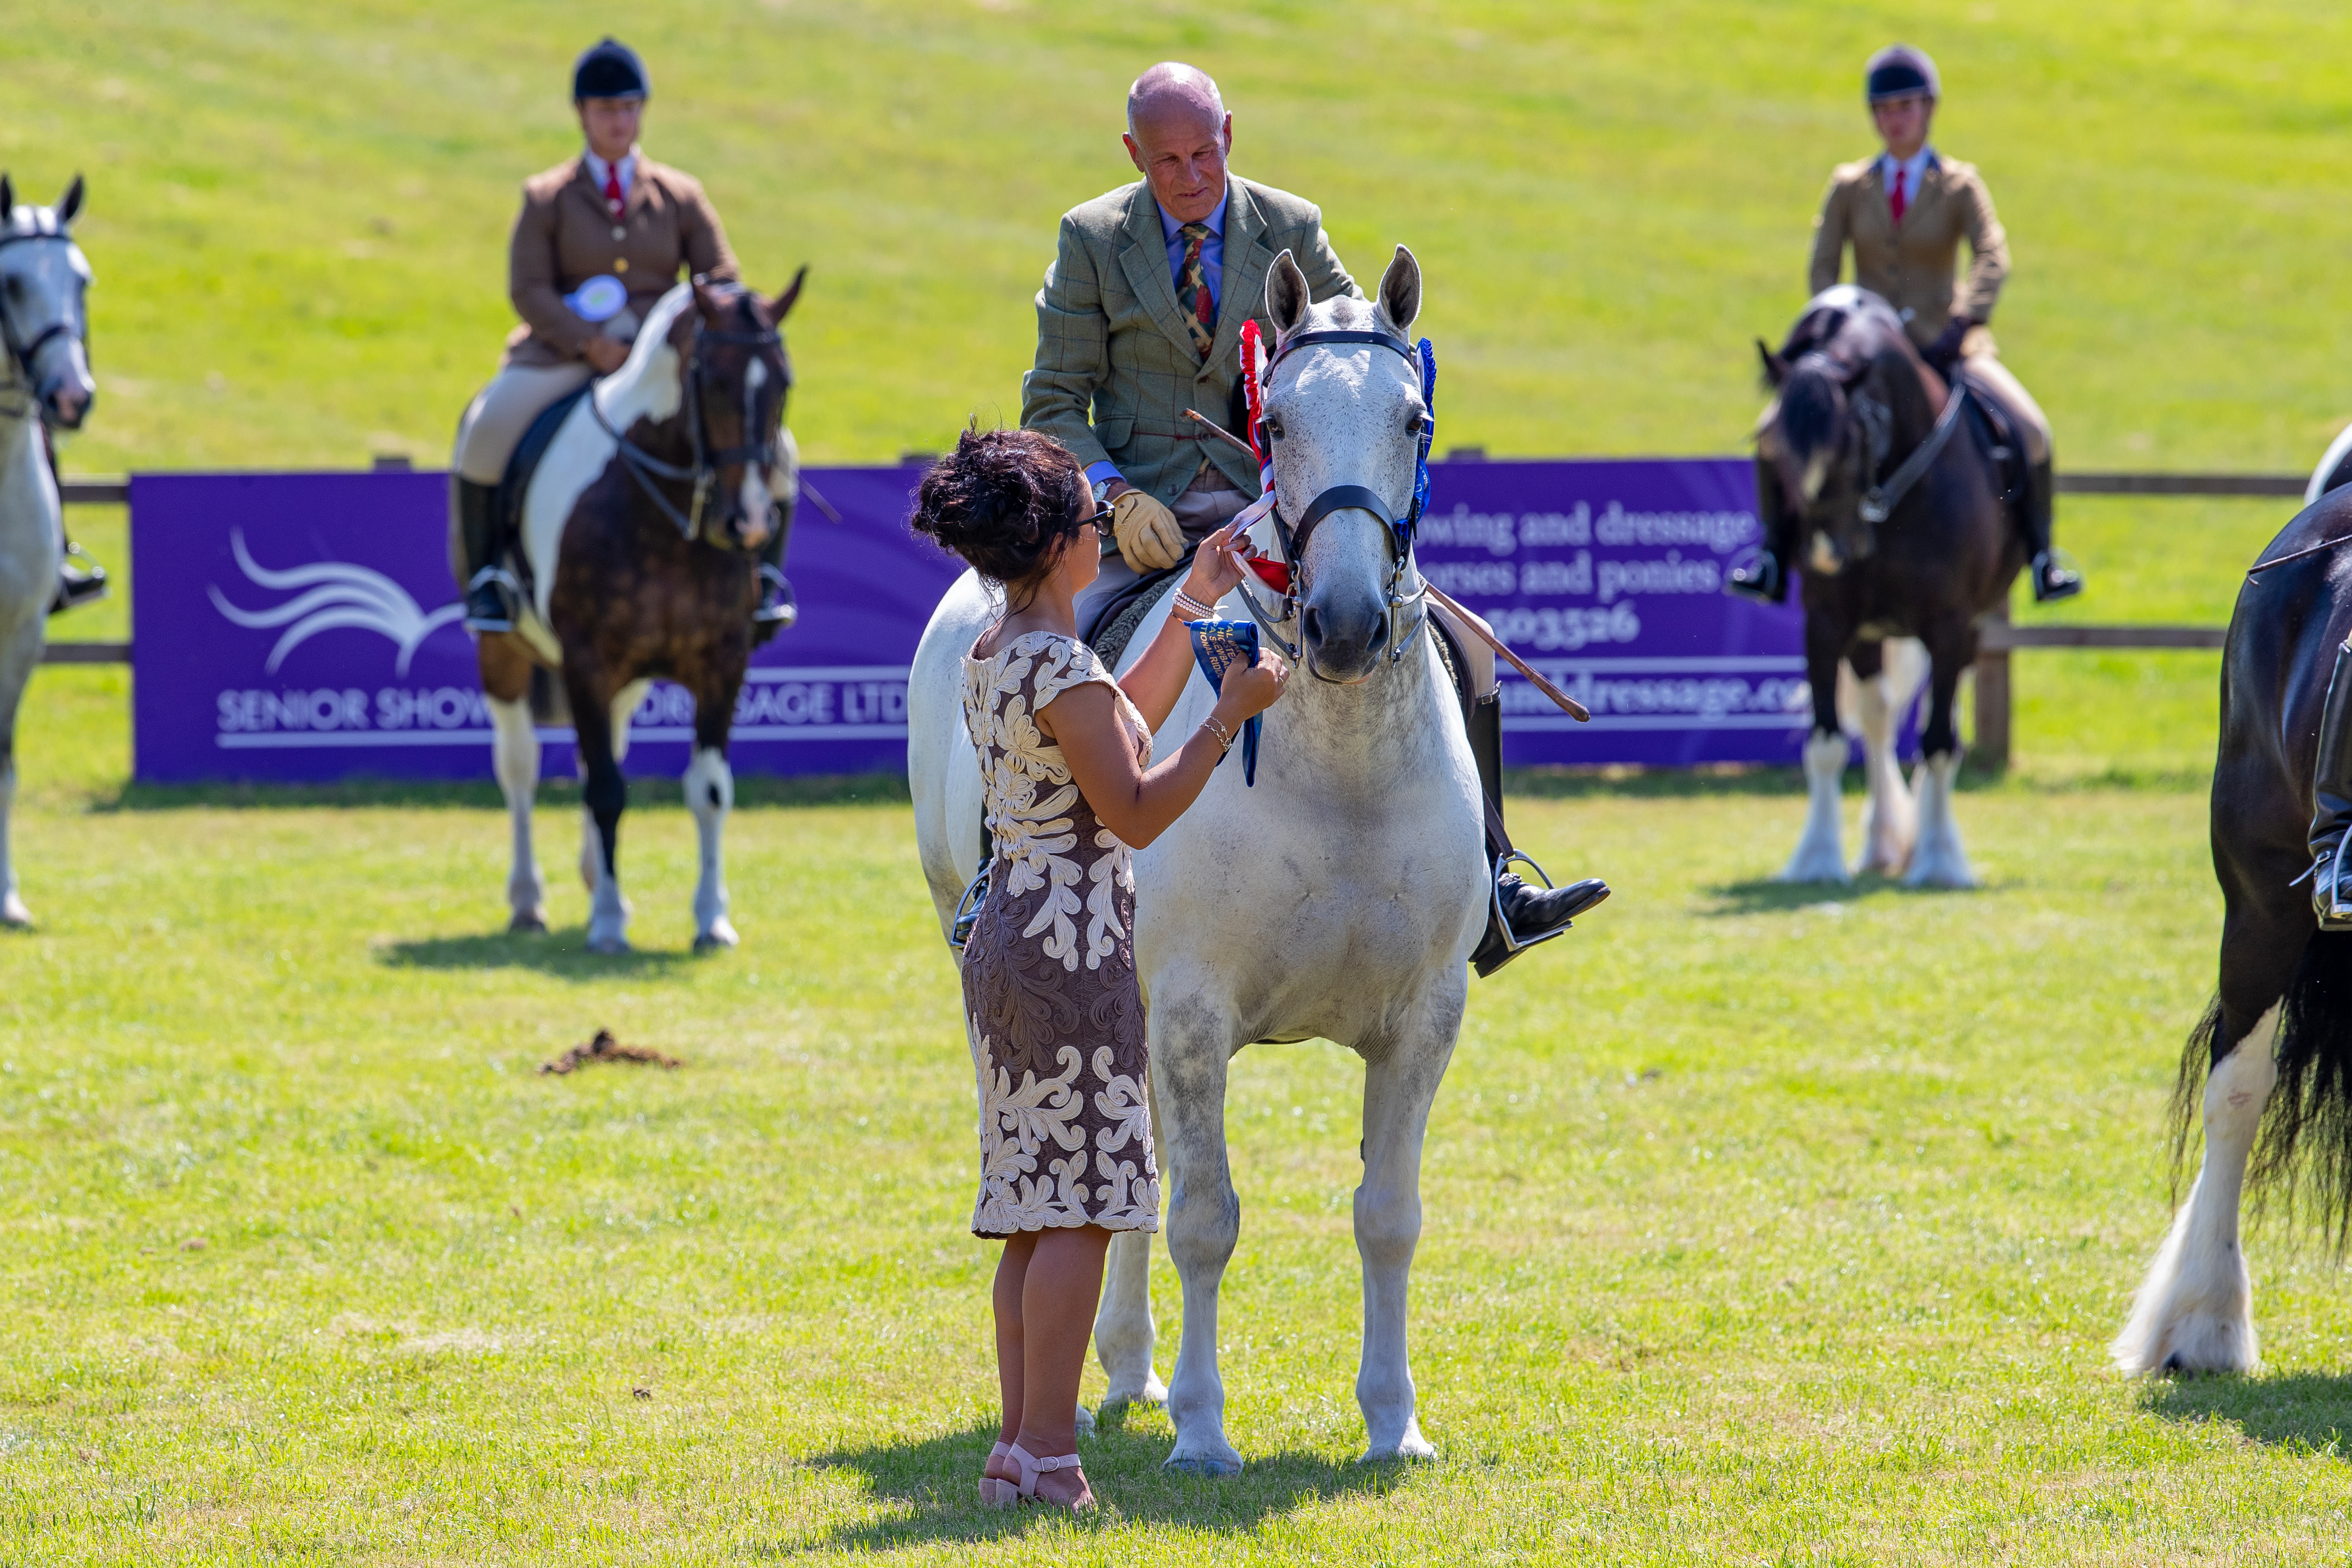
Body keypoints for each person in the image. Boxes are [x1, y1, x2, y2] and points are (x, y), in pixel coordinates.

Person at [1024, 60, 1606, 977]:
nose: (1188, 176)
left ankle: (1493, 882)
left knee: (1476, 644)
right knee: (1071, 655)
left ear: (1229, 136)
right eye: (1166, 160)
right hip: (1147, 529)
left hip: (1282, 515)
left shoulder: (1290, 225)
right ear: (1133, 152)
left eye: (1204, 154)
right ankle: (1024, 874)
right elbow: (1051, 399)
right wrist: (1113, 492)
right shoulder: (1091, 239)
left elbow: (1356, 349)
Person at [910, 426, 1287, 1511]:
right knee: (1082, 1204)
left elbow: (1115, 711)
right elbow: (1130, 803)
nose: (1099, 534)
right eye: (1088, 520)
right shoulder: (1056, 664)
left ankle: (1016, 1448)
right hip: (1067, 947)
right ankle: (1052, 1453)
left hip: (1012, 935)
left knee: (1033, 1203)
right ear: (1059, 546)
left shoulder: (1003, 648)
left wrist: (1194, 598)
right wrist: (1227, 717)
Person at [450, 39, 793, 634]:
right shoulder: (547, 197)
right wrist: (588, 343)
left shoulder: (680, 195)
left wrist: (684, 335)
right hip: (566, 354)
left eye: (631, 108)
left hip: (659, 364)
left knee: (779, 448)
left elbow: (723, 281)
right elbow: (528, 289)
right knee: (487, 428)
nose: (620, 121)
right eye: (608, 109)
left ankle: (760, 577)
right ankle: (490, 580)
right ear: (583, 114)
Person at [1731, 43, 2081, 606]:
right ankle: (1771, 556)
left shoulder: (1960, 185)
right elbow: (1824, 265)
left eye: (1906, 107)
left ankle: (2042, 556)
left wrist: (1965, 319)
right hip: (1863, 359)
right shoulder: (1849, 186)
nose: (1895, 120)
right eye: (1884, 110)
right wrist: (1839, 331)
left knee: (2033, 429)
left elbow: (1992, 255)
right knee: (1774, 432)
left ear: (1928, 109)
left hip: (1950, 347)